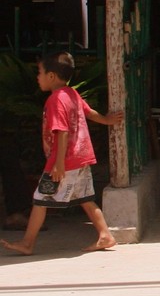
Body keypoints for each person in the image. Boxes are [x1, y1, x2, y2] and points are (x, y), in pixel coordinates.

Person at [1, 52, 124, 256]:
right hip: (81, 157)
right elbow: (89, 112)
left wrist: (58, 164)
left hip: (64, 161)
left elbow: (62, 131)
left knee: (40, 200)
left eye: (39, 72)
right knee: (84, 197)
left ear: (51, 76)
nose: (37, 77)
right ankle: (105, 235)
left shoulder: (55, 100)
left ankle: (27, 243)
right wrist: (107, 120)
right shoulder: (71, 94)